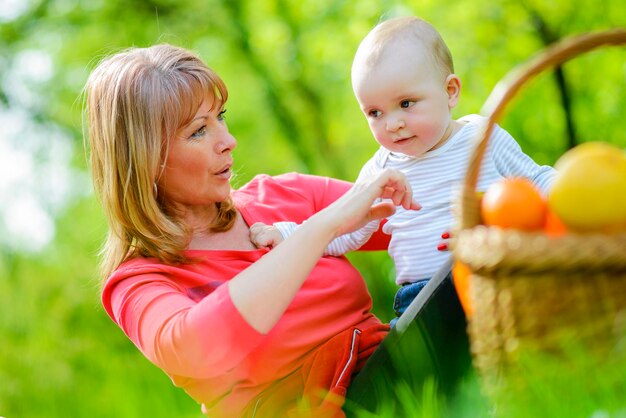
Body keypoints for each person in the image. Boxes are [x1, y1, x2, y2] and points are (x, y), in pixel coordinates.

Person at [84, 43, 421, 418]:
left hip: (402, 381)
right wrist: (320, 230)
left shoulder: (283, 195)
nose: (228, 141)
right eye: (198, 132)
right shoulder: (139, 281)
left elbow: (424, 218)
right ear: (146, 161)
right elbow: (192, 346)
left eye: (220, 117)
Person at [250, 16, 556, 324]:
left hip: (495, 271)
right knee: (412, 362)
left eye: (406, 103)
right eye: (375, 112)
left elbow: (538, 181)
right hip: (420, 298)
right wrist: (288, 233)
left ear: (450, 91)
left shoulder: (482, 138)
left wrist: (574, 190)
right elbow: (344, 229)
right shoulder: (381, 170)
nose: (392, 123)